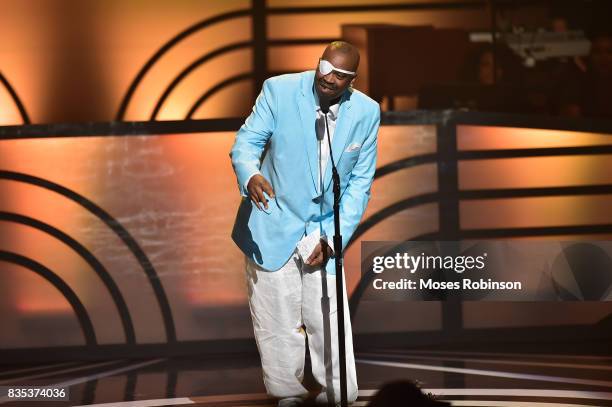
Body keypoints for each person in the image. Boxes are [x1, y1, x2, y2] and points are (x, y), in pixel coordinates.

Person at [230, 41, 380, 406]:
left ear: (352, 80)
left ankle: (339, 393)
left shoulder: (366, 112)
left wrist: (331, 238)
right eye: (326, 67)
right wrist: (250, 175)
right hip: (273, 217)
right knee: (276, 318)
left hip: (323, 226)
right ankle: (287, 394)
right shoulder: (279, 90)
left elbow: (360, 184)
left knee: (328, 318)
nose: (330, 78)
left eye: (341, 75)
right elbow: (247, 142)